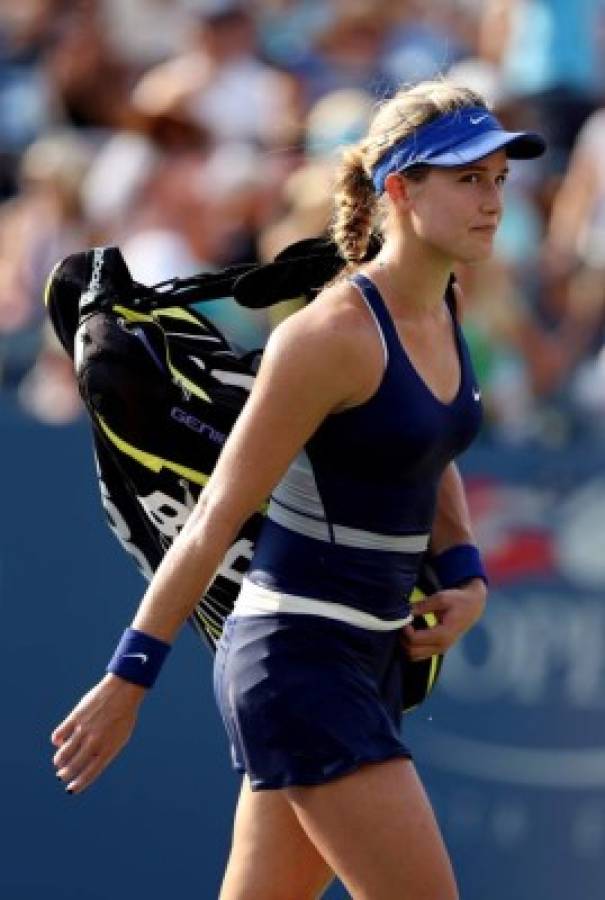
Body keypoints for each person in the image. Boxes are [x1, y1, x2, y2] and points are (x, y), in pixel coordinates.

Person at [51, 79, 545, 899]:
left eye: (497, 179)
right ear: (399, 188)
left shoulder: (442, 303)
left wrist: (463, 570)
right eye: (466, 178)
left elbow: (430, 448)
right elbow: (214, 517)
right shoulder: (329, 336)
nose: (491, 200)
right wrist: (127, 676)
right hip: (298, 665)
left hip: (362, 661)